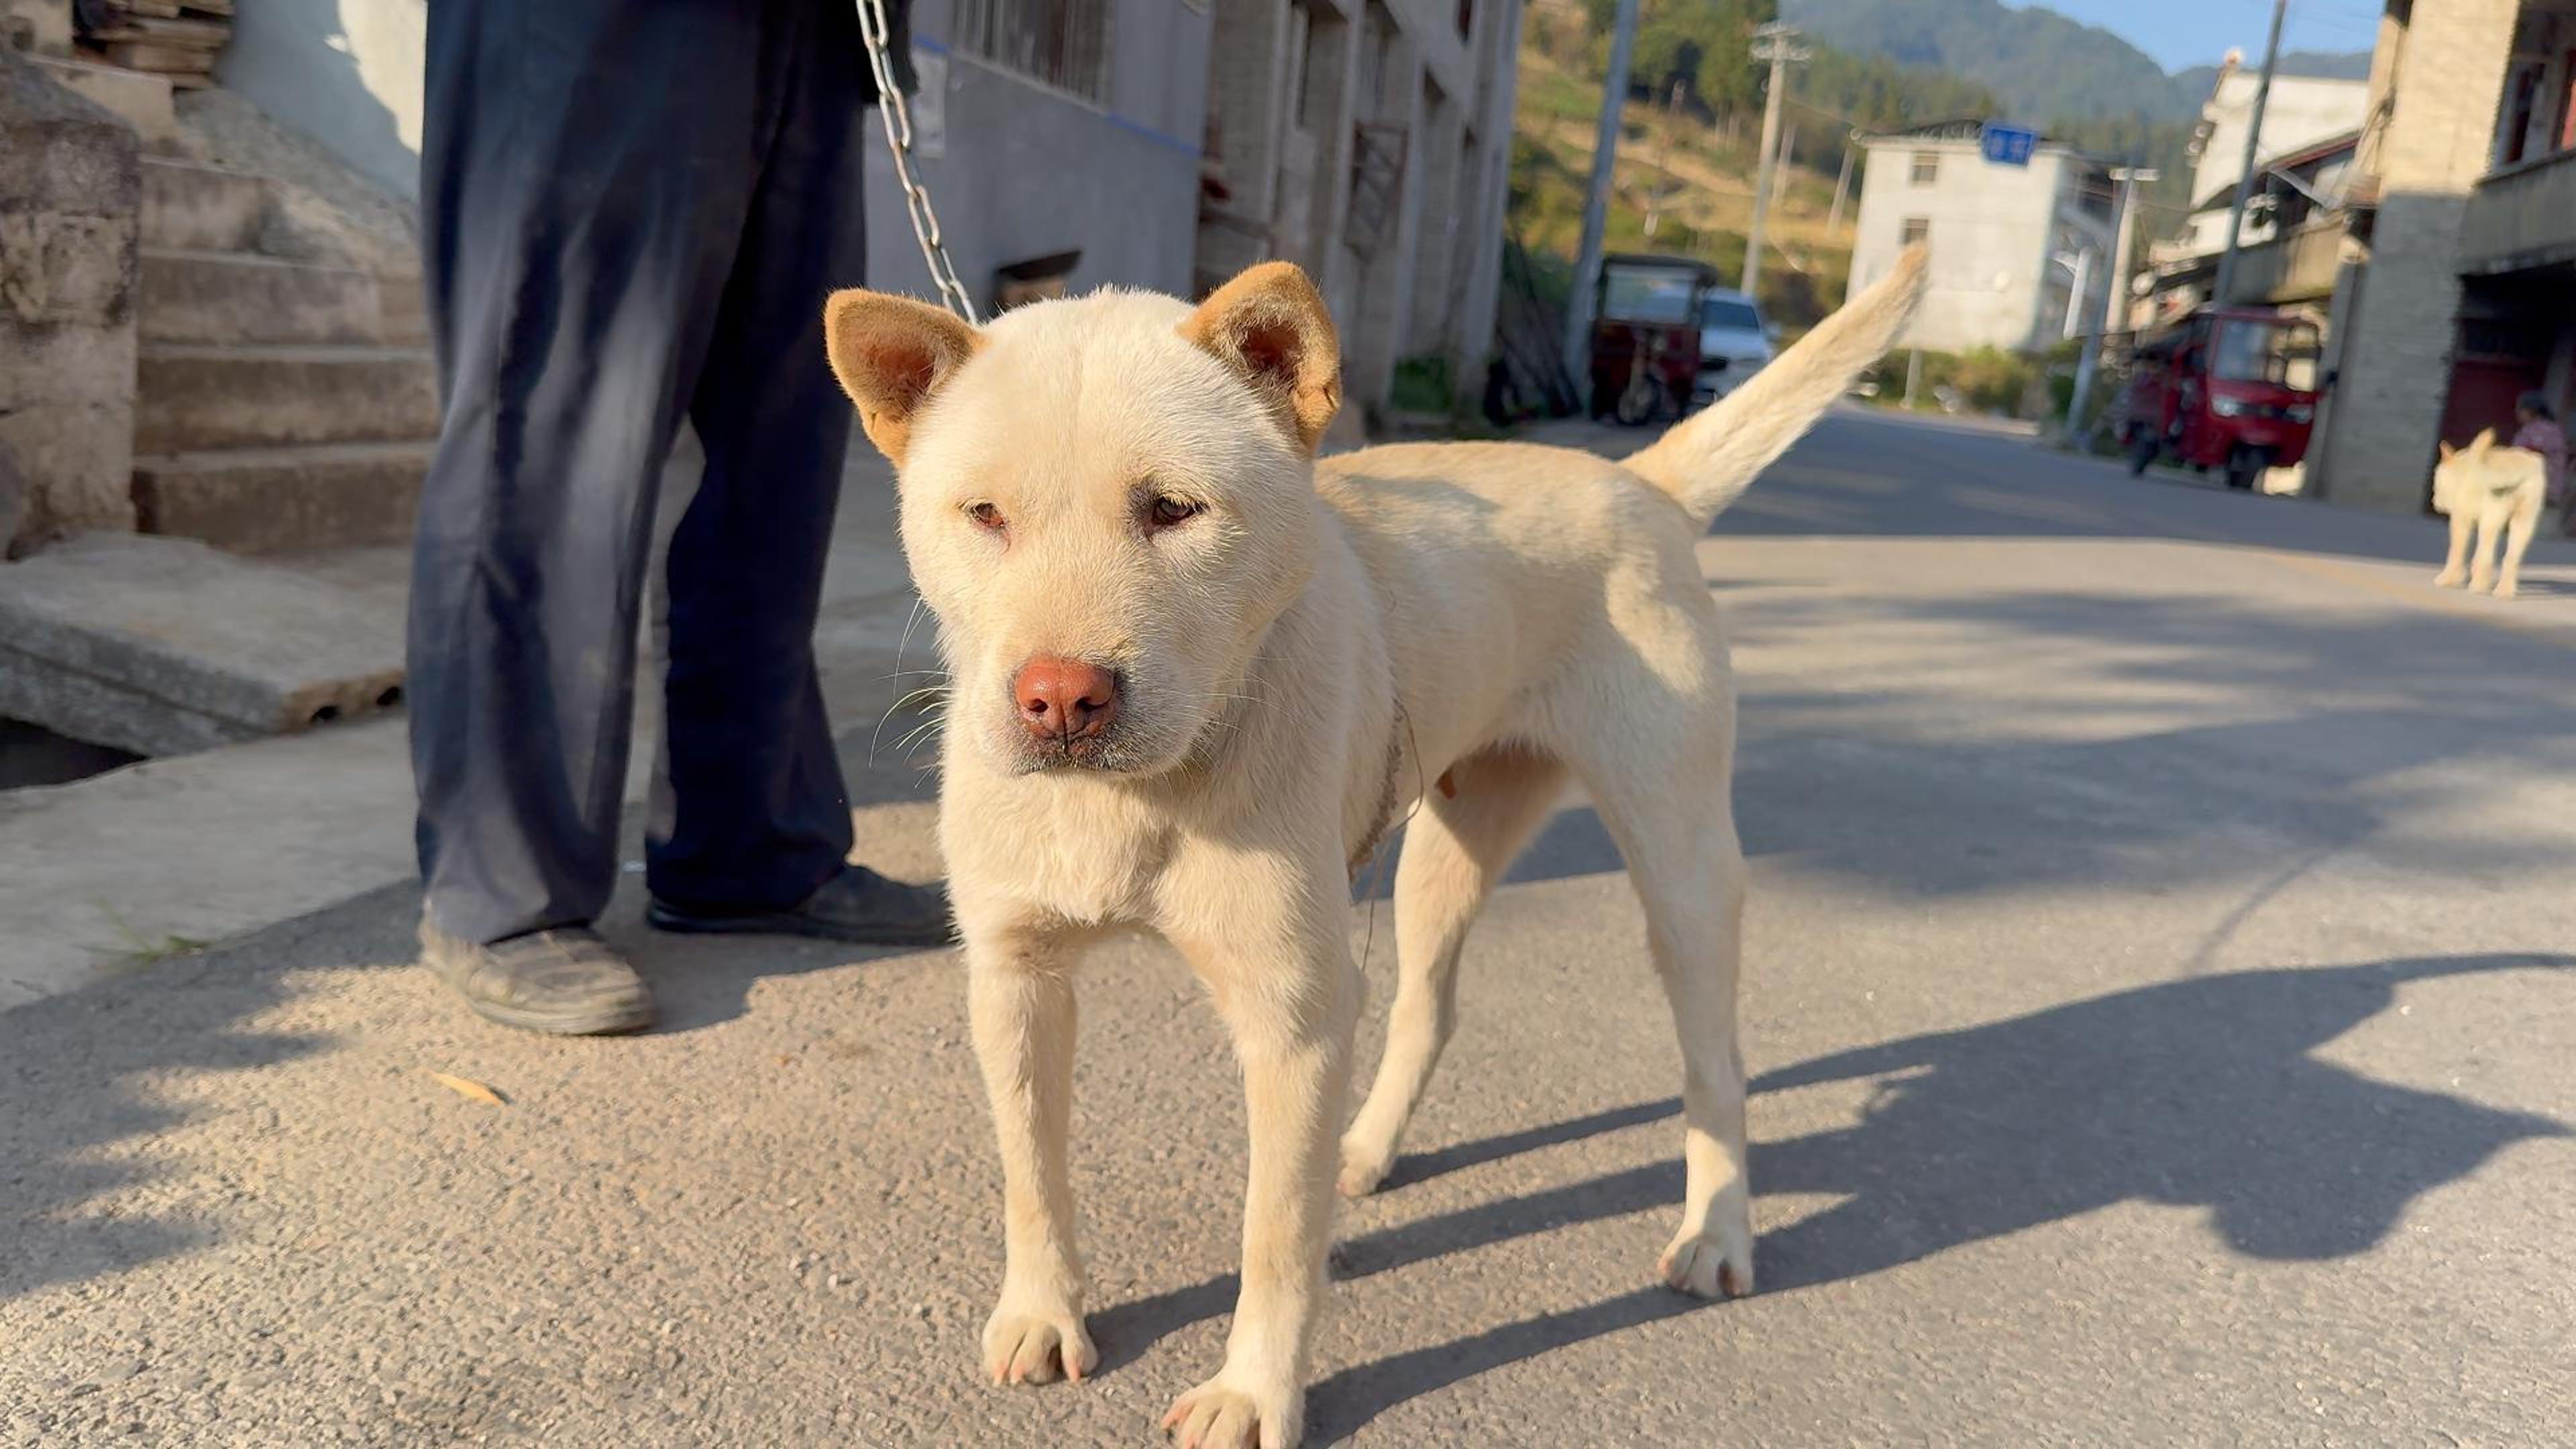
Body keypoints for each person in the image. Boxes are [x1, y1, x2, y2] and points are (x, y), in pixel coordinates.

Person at [409, 0, 949, 1036]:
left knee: (776, 437)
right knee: (555, 412)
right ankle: (502, 889)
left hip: (811, 26)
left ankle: (747, 844)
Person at [2510, 391, 2571, 536]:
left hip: (2543, 481)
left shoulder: (2544, 429)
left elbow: (2532, 452)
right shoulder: (2533, 428)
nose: (2518, 412)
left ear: (2531, 410)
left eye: (2521, 409)